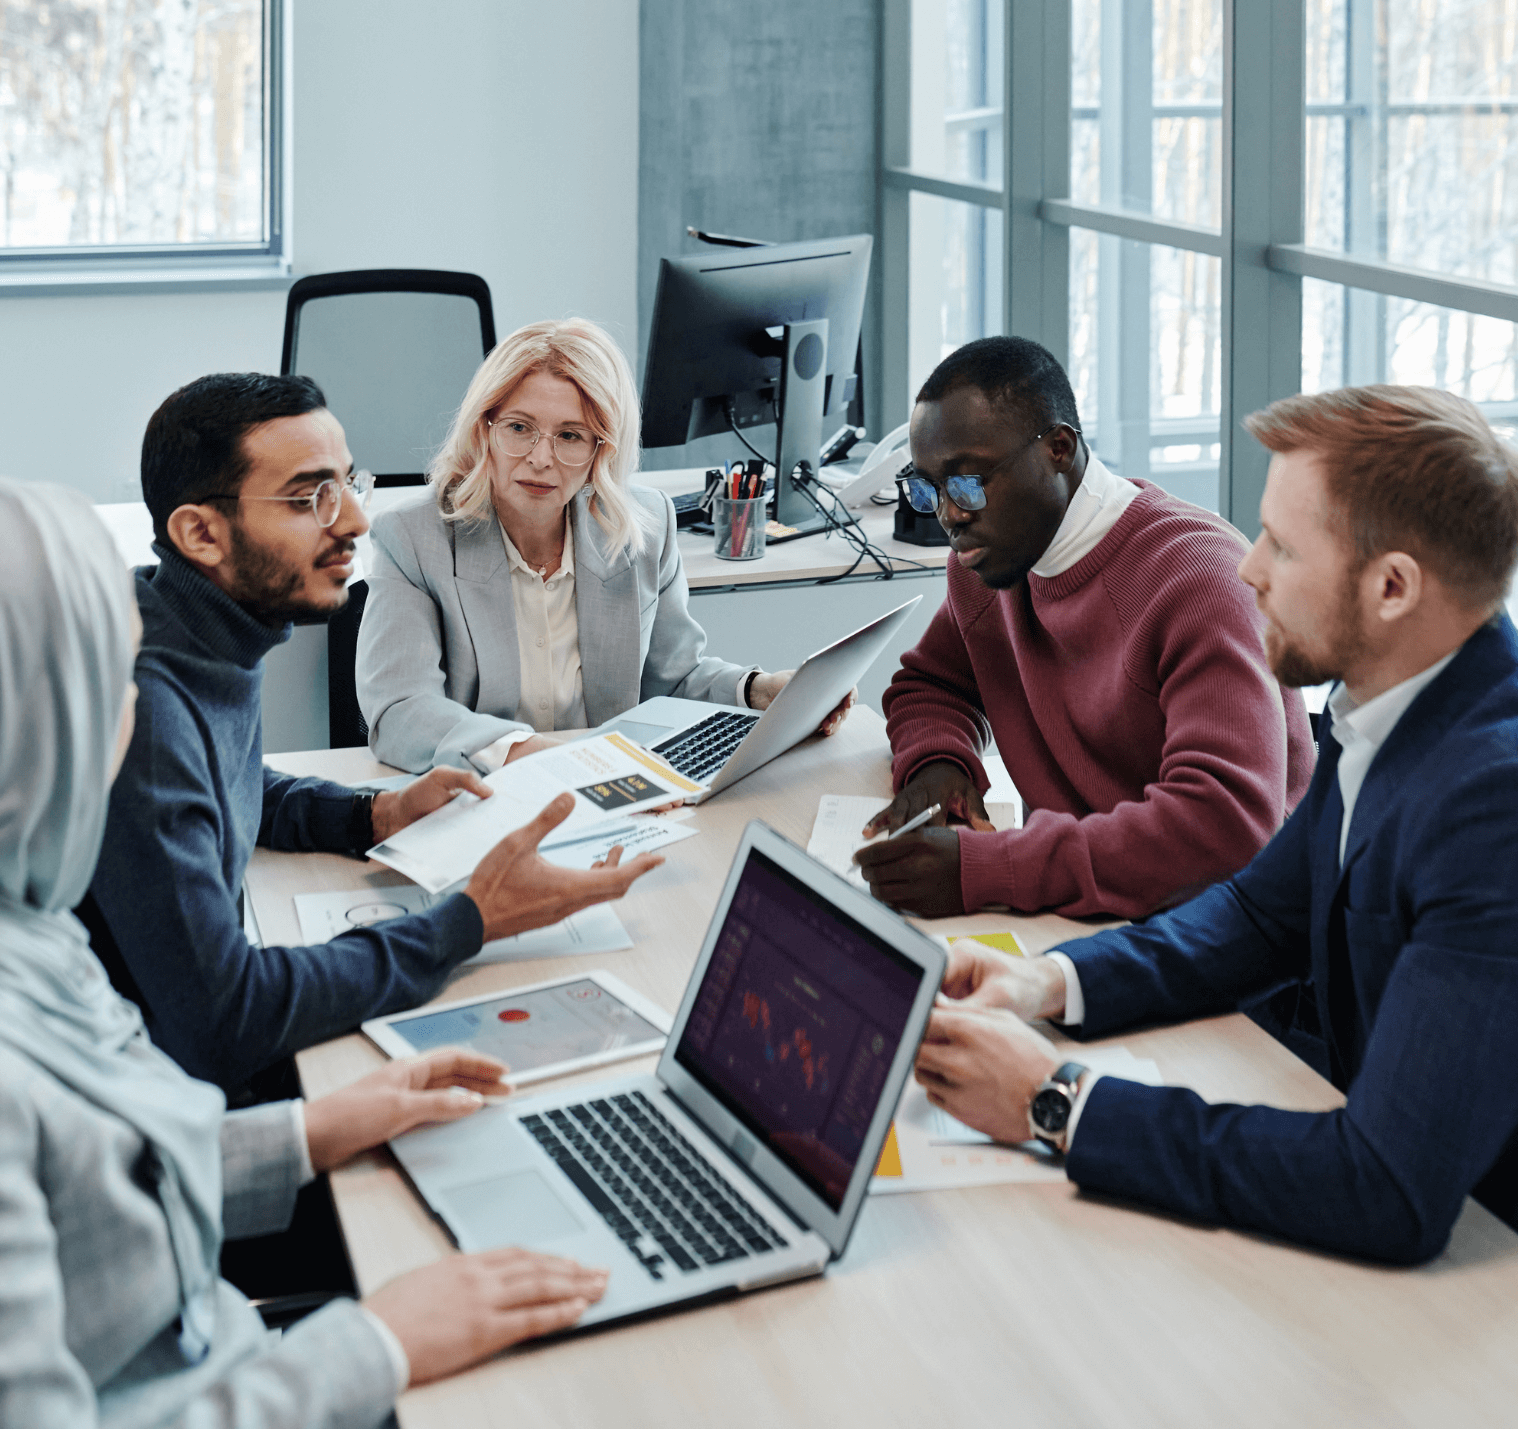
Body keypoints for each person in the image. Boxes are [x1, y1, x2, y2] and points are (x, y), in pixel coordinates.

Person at [0, 475, 608, 1426]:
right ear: (23, 725)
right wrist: (376, 1343)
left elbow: (105, 1183)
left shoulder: (21, 927)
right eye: (103, 683)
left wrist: (315, 1131)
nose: (130, 718)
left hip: (230, 1352)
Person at [911, 385, 1518, 1264]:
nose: (1249, 568)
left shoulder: (1491, 807)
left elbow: (1383, 1190)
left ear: (1392, 588)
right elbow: (1258, 915)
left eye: (1283, 545)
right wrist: (1044, 985)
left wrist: (1056, 1100)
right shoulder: (1390, 704)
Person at [83, 372, 662, 1099]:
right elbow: (225, 1017)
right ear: (200, 533)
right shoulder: (147, 710)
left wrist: (370, 815)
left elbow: (228, 778)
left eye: (347, 481)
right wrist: (470, 921)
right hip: (150, 1114)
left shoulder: (188, 624)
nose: (355, 519)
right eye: (308, 497)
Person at [856, 336, 1314, 919]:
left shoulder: (1198, 581)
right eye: (928, 488)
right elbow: (932, 686)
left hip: (1221, 939)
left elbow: (1223, 828)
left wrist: (992, 869)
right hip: (1082, 913)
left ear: (1058, 449)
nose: (950, 515)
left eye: (969, 482)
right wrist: (938, 767)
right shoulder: (990, 565)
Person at [356, 317, 851, 775]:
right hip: (481, 794)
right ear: (484, 428)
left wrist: (759, 691)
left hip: (607, 794)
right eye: (519, 428)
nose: (540, 458)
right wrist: (537, 756)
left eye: (570, 436)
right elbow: (401, 710)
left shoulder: (645, 526)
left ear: (602, 451)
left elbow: (672, 679)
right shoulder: (414, 537)